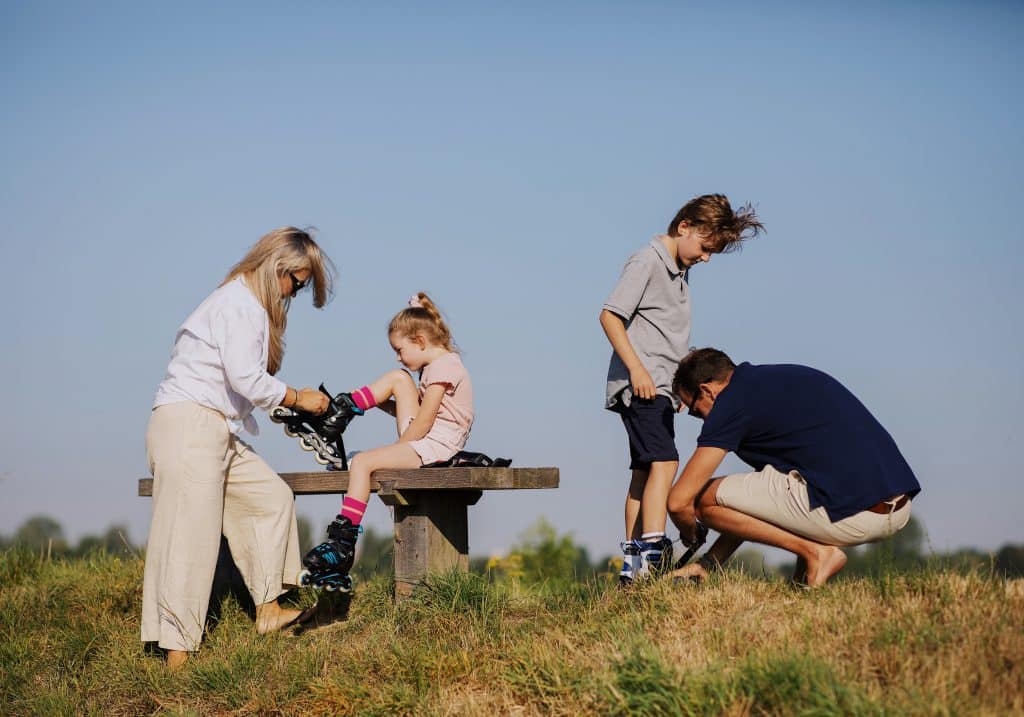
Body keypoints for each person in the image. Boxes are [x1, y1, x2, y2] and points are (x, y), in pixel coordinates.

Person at [142, 227, 335, 668]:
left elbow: (242, 383)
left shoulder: (242, 305)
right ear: (278, 268)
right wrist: (297, 396)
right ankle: (177, 662)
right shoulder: (238, 304)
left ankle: (267, 610)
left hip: (214, 430)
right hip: (190, 425)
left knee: (270, 498)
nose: (295, 293)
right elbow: (244, 377)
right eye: (298, 283)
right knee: (190, 539)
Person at [600, 195, 764, 584]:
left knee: (644, 471)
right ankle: (654, 551)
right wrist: (638, 371)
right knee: (666, 462)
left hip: (661, 388)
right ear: (685, 226)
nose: (707, 258)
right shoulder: (647, 261)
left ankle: (633, 566)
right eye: (706, 248)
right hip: (643, 384)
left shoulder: (678, 270)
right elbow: (609, 316)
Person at [666, 348, 922, 587]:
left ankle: (817, 554)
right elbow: (754, 506)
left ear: (707, 390)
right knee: (775, 488)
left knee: (703, 499)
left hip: (855, 511)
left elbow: (679, 502)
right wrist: (710, 562)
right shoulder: (775, 381)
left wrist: (691, 533)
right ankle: (807, 572)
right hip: (895, 506)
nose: (702, 421)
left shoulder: (731, 402)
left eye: (696, 411)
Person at [300, 292, 473, 588]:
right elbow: (418, 415)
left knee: (365, 462)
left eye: (400, 349)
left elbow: (425, 420)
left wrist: (395, 452)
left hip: (434, 446)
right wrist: (380, 403)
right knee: (398, 377)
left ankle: (342, 543)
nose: (398, 355)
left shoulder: (445, 367)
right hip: (426, 438)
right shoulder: (437, 365)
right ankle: (341, 411)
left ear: (420, 341)